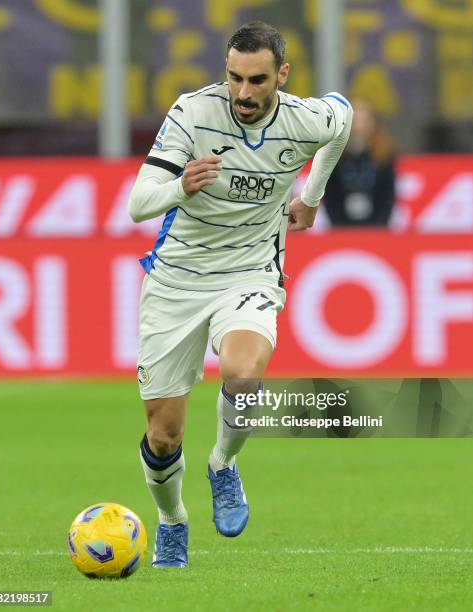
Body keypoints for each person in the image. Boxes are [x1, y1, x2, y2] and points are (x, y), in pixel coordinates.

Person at [128, 21, 352, 567]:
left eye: (256, 80)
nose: (243, 93)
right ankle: (172, 520)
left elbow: (341, 121)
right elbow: (138, 204)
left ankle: (223, 465)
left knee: (244, 374)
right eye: (234, 78)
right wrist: (181, 186)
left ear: (282, 73)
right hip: (177, 279)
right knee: (162, 433)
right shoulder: (192, 113)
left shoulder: (305, 119)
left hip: (251, 271)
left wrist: (311, 196)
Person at [323, 99, 395, 226]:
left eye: (364, 120)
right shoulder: (333, 155)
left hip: (376, 228)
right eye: (355, 120)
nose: (359, 126)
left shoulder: (383, 155)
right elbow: (330, 197)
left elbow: (387, 197)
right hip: (341, 228)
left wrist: (379, 228)